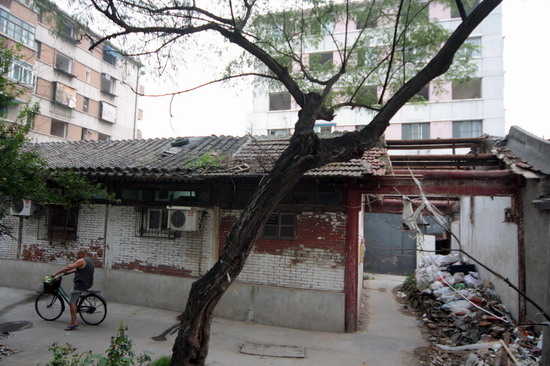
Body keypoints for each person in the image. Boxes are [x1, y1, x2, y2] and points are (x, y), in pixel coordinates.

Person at [51, 251, 95, 331]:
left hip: (80, 284)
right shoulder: (89, 260)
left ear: (82, 254)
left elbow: (68, 267)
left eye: (78, 255)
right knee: (74, 299)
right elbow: (83, 268)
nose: (77, 257)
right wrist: (72, 271)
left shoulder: (81, 260)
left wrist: (56, 273)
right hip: (88, 283)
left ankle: (74, 322)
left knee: (72, 302)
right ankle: (75, 309)